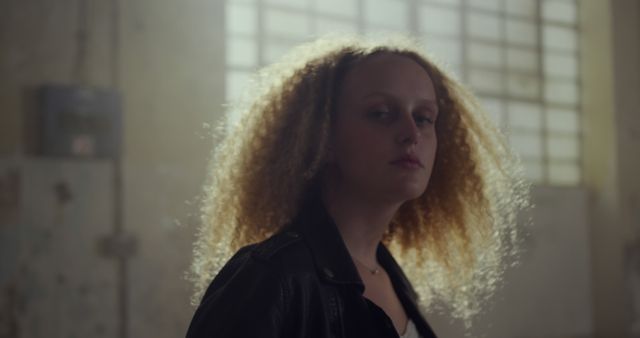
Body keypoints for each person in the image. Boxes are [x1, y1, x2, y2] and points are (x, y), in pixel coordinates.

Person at [186, 36, 529, 338]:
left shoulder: (392, 277)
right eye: (381, 113)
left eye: (424, 117)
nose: (412, 133)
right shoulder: (270, 277)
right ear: (323, 137)